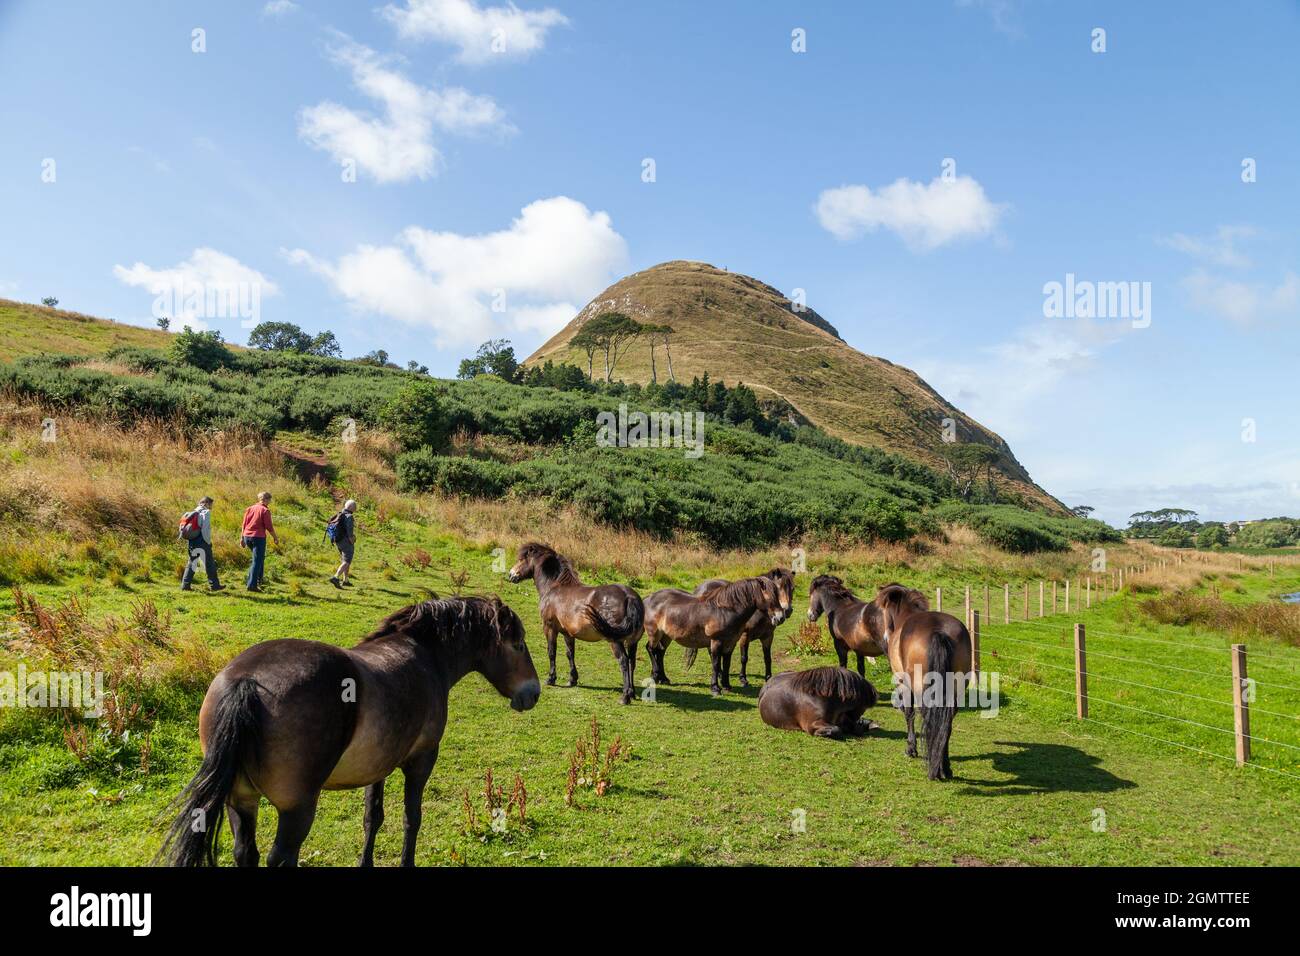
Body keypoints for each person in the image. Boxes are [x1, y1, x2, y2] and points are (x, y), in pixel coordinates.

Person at [180, 496, 224, 592]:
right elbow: (205, 530)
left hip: (192, 540)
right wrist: (208, 542)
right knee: (209, 564)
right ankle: (215, 585)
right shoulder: (205, 512)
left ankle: (185, 585)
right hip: (202, 541)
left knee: (192, 563)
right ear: (206, 503)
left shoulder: (190, 513)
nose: (211, 506)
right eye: (211, 504)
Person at [241, 491, 280, 592]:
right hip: (258, 537)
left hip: (247, 536)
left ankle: (258, 580)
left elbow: (244, 524)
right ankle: (252, 585)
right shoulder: (265, 510)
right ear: (266, 499)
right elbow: (269, 527)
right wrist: (275, 537)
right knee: (257, 561)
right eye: (269, 500)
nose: (270, 502)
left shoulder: (250, 508)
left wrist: (242, 538)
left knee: (258, 559)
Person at [329, 499, 358, 589]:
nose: (356, 508)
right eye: (355, 507)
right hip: (346, 542)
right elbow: (349, 533)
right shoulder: (349, 517)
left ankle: (346, 580)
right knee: (346, 561)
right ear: (352, 508)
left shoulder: (340, 513)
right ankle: (335, 577)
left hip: (337, 540)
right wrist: (353, 540)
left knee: (345, 560)